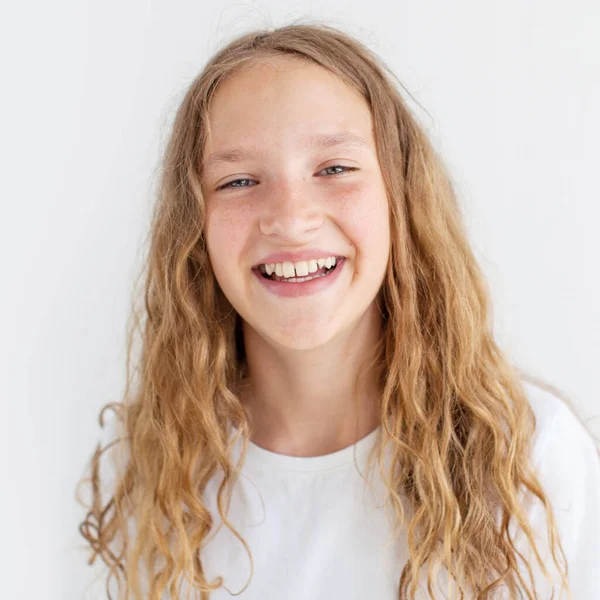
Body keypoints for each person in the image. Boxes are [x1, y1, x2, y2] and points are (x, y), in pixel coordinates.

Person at [77, 23, 600, 600]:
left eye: (334, 169)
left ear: (400, 196)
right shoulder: (152, 468)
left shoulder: (531, 457)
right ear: (193, 228)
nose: (291, 218)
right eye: (239, 180)